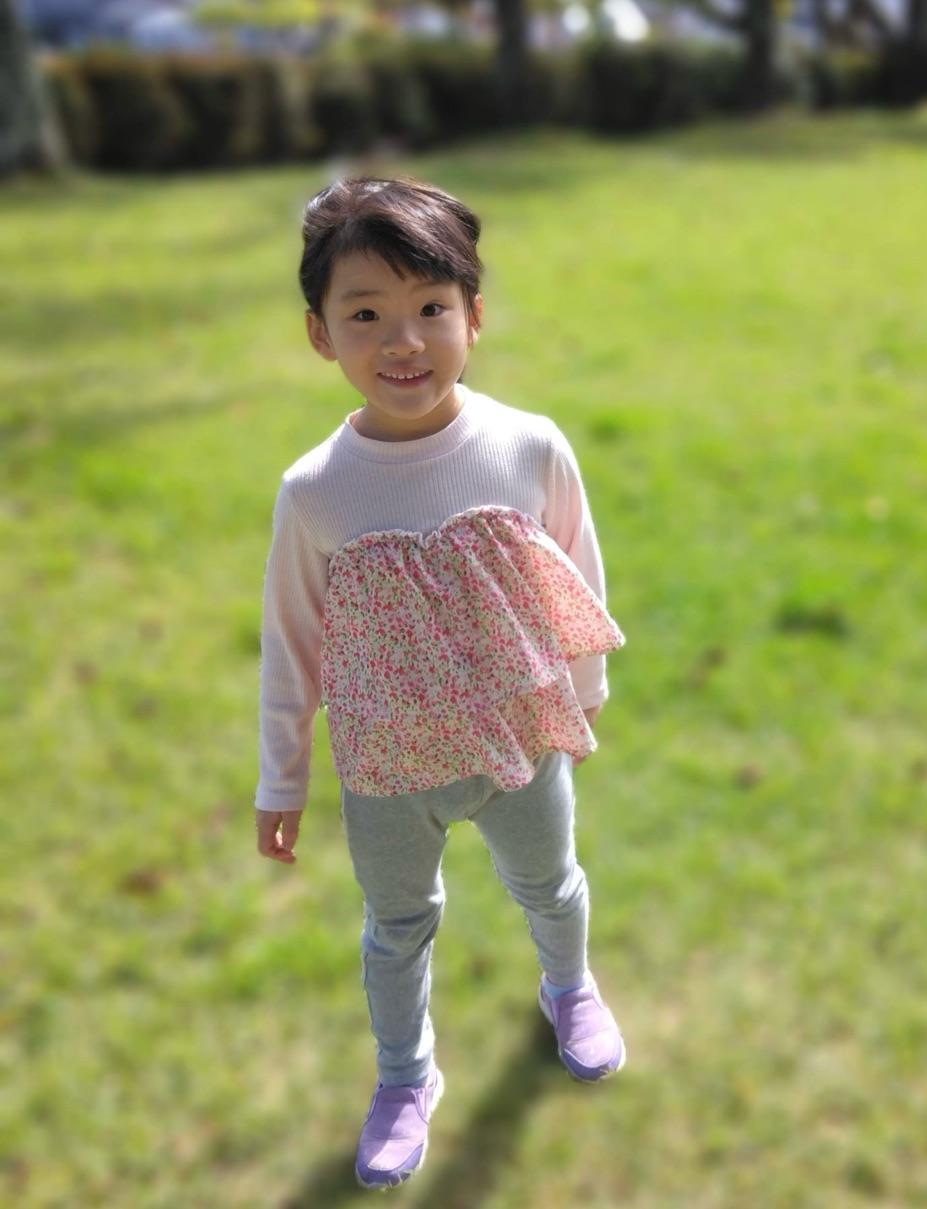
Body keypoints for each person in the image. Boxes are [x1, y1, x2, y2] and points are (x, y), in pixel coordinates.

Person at [253, 176, 628, 1191]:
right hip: (388, 767)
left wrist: (582, 693)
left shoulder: (528, 445)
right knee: (397, 927)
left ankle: (569, 987)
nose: (404, 341)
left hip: (520, 744)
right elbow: (290, 642)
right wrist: (281, 777)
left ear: (475, 314)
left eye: (430, 307)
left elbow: (575, 575)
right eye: (365, 315)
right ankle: (404, 1075)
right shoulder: (316, 492)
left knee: (550, 883)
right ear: (320, 334)